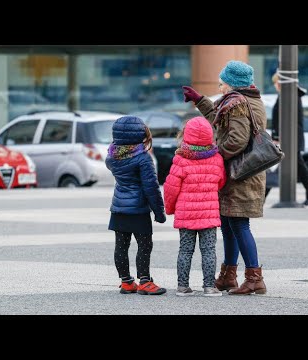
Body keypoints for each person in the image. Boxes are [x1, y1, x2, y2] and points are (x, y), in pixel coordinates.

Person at [181, 60, 267, 295]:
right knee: (229, 225)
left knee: (239, 224)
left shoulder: (238, 103)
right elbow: (219, 119)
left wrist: (216, 157)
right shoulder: (241, 101)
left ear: (232, 84)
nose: (220, 88)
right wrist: (200, 100)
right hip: (238, 173)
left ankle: (254, 278)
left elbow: (237, 139)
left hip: (240, 174)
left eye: (222, 84)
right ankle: (228, 276)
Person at [164, 116, 227, 297]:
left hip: (186, 214)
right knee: (208, 251)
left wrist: (170, 208)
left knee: (185, 250)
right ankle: (209, 286)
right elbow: (221, 182)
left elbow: (170, 188)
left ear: (185, 135)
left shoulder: (181, 159)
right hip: (208, 214)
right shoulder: (216, 158)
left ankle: (182, 286)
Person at [106, 115, 167, 295]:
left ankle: (126, 282)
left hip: (118, 207)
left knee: (121, 245)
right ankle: (145, 281)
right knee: (144, 245)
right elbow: (151, 187)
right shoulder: (143, 158)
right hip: (138, 208)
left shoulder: (112, 155)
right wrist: (159, 211)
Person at [270, 71, 308, 206]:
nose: (274, 85)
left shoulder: (289, 95)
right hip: (291, 137)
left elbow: (282, 118)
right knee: (296, 166)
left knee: (275, 165)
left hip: (290, 138)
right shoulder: (290, 95)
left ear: (280, 83)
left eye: (275, 82)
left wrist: (276, 136)